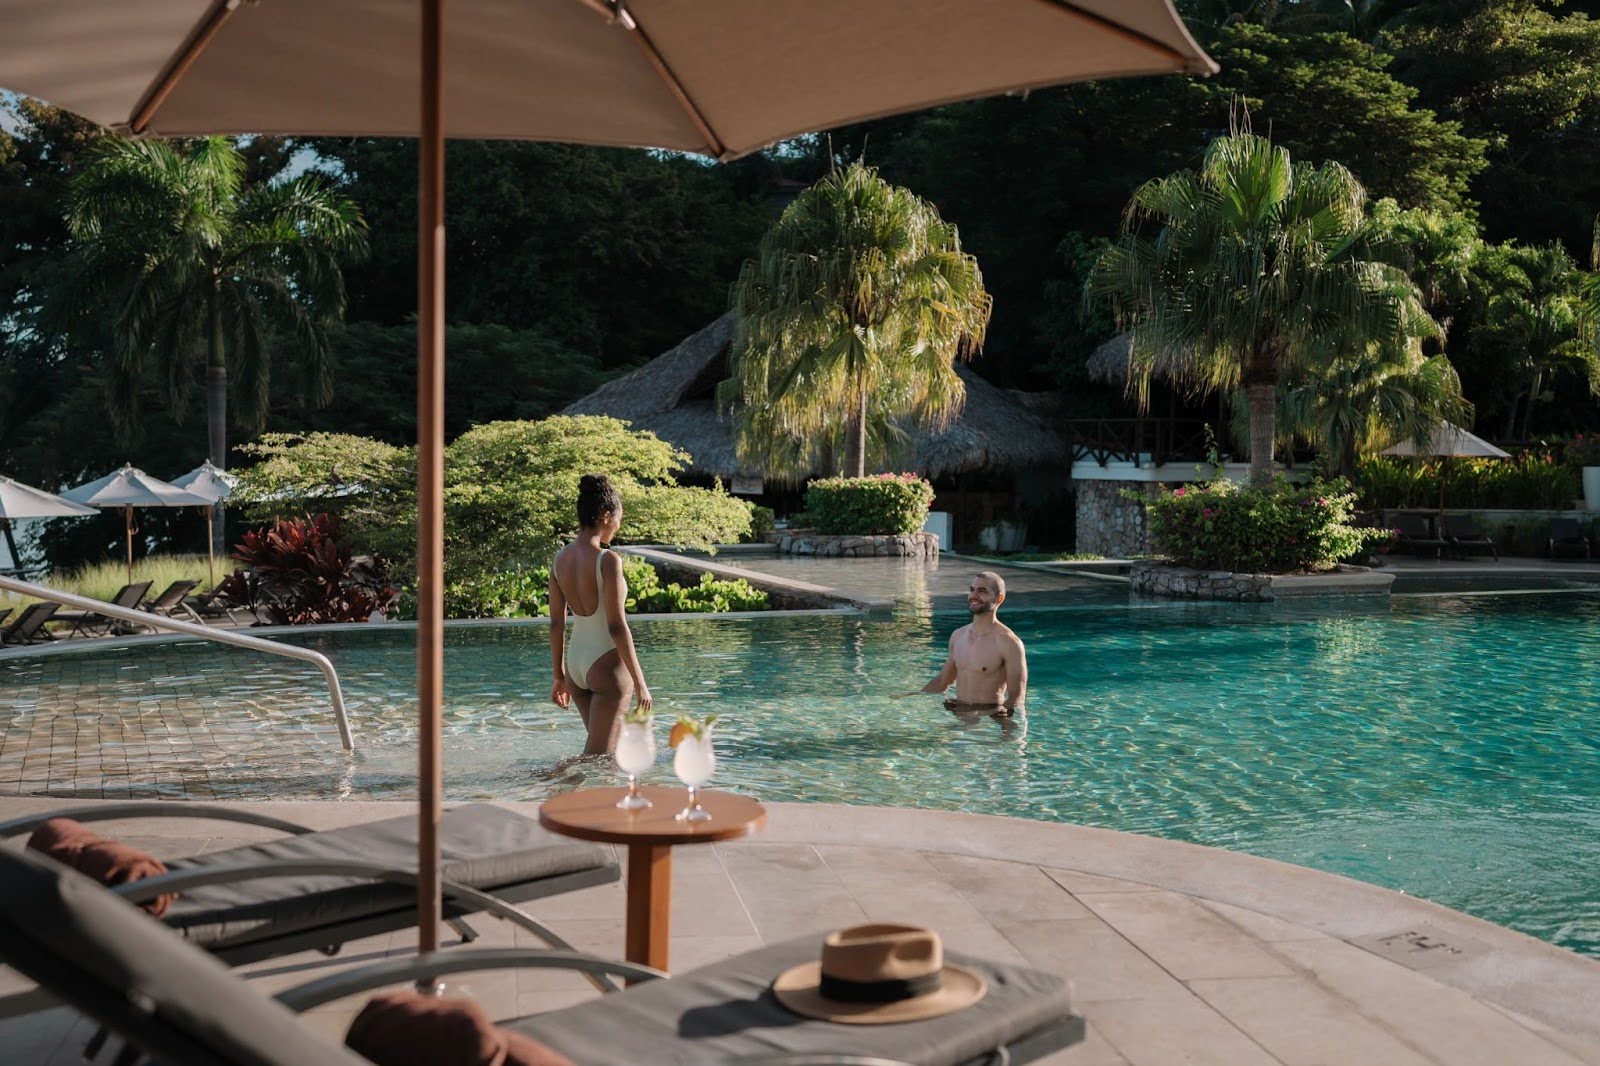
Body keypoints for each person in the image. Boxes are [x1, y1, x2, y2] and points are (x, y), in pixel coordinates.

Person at [548, 474, 652, 754]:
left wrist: (559, 676)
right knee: (599, 758)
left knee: (606, 752)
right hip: (606, 665)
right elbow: (616, 626)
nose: (618, 526)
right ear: (606, 516)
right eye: (619, 519)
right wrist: (641, 682)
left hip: (575, 665)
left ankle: (596, 796)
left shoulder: (560, 559)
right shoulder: (608, 560)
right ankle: (543, 785)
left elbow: (556, 623)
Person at [902, 571, 1027, 725]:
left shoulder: (1009, 643)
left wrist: (1005, 734)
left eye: (982, 591)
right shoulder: (958, 636)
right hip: (958, 713)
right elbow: (942, 681)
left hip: (986, 719)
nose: (973, 595)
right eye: (972, 589)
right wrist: (909, 699)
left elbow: (1016, 698)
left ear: (999, 598)